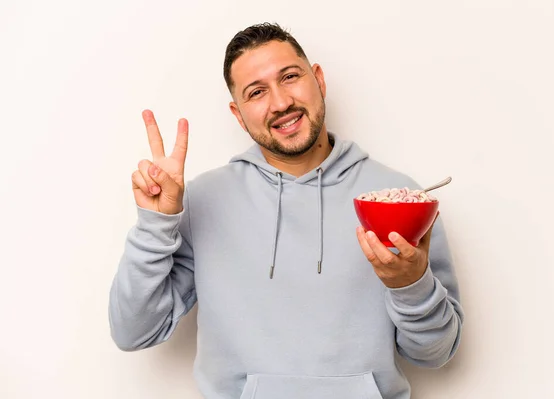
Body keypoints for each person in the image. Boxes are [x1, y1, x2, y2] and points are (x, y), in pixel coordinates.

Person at [109, 22, 464, 399]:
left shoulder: (399, 201)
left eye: (290, 77)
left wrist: (410, 285)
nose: (280, 103)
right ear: (238, 114)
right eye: (256, 92)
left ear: (319, 80)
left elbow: (435, 353)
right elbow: (134, 332)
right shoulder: (202, 202)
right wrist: (155, 224)